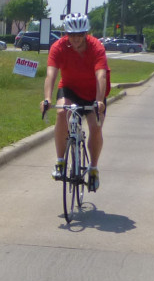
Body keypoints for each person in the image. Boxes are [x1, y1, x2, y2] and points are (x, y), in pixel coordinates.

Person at [41, 13, 110, 192]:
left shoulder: (96, 47)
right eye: (72, 35)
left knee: (95, 126)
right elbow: (51, 74)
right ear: (66, 34)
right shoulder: (58, 47)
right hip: (70, 89)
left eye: (80, 35)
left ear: (86, 33)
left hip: (94, 93)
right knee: (62, 112)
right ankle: (60, 162)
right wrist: (47, 99)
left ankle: (93, 169)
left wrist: (100, 101)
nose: (76, 39)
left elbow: (101, 75)